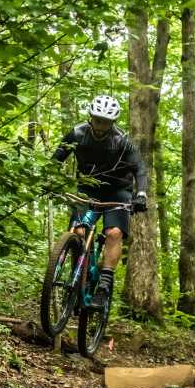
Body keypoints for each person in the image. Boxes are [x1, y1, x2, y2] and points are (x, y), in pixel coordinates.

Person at [52, 94, 147, 308]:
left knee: (113, 233)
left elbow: (140, 169)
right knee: (78, 231)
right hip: (87, 189)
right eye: (97, 120)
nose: (101, 126)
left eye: (106, 122)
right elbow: (56, 160)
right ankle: (78, 278)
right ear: (91, 117)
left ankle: (104, 286)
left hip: (118, 192)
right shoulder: (76, 134)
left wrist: (141, 194)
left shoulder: (122, 140)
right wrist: (47, 181)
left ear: (112, 123)